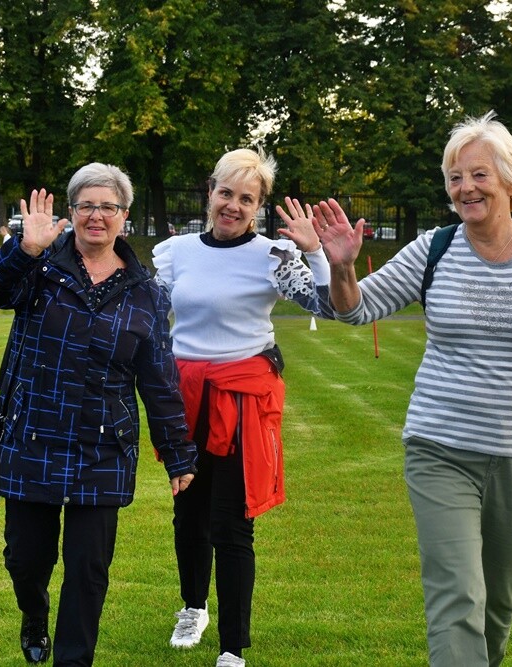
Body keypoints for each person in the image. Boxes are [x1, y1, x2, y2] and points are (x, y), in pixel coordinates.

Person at [313, 111, 512, 667]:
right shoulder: (435, 248)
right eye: (454, 177)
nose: (464, 188)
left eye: (477, 175)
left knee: (496, 605)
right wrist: (343, 269)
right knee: (458, 597)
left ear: (508, 180)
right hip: (440, 447)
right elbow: (356, 310)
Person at [0, 163, 197, 667]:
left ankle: (73, 661)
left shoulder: (146, 293)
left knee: (88, 568)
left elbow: (159, 380)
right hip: (34, 433)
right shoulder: (39, 266)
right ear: (71, 212)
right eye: (86, 205)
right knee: (25, 560)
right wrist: (24, 249)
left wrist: (179, 453)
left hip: (103, 446)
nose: (97, 216)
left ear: (125, 216)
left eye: (108, 207)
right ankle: (34, 614)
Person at [151, 148, 331, 667]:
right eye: (225, 193)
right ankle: (193, 606)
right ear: (210, 191)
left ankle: (233, 647)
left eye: (246, 198)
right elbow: (147, 313)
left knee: (232, 523)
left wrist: (315, 252)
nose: (232, 205)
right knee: (189, 514)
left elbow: (324, 304)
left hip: (243, 401)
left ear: (258, 206)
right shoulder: (174, 251)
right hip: (185, 400)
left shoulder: (273, 255)